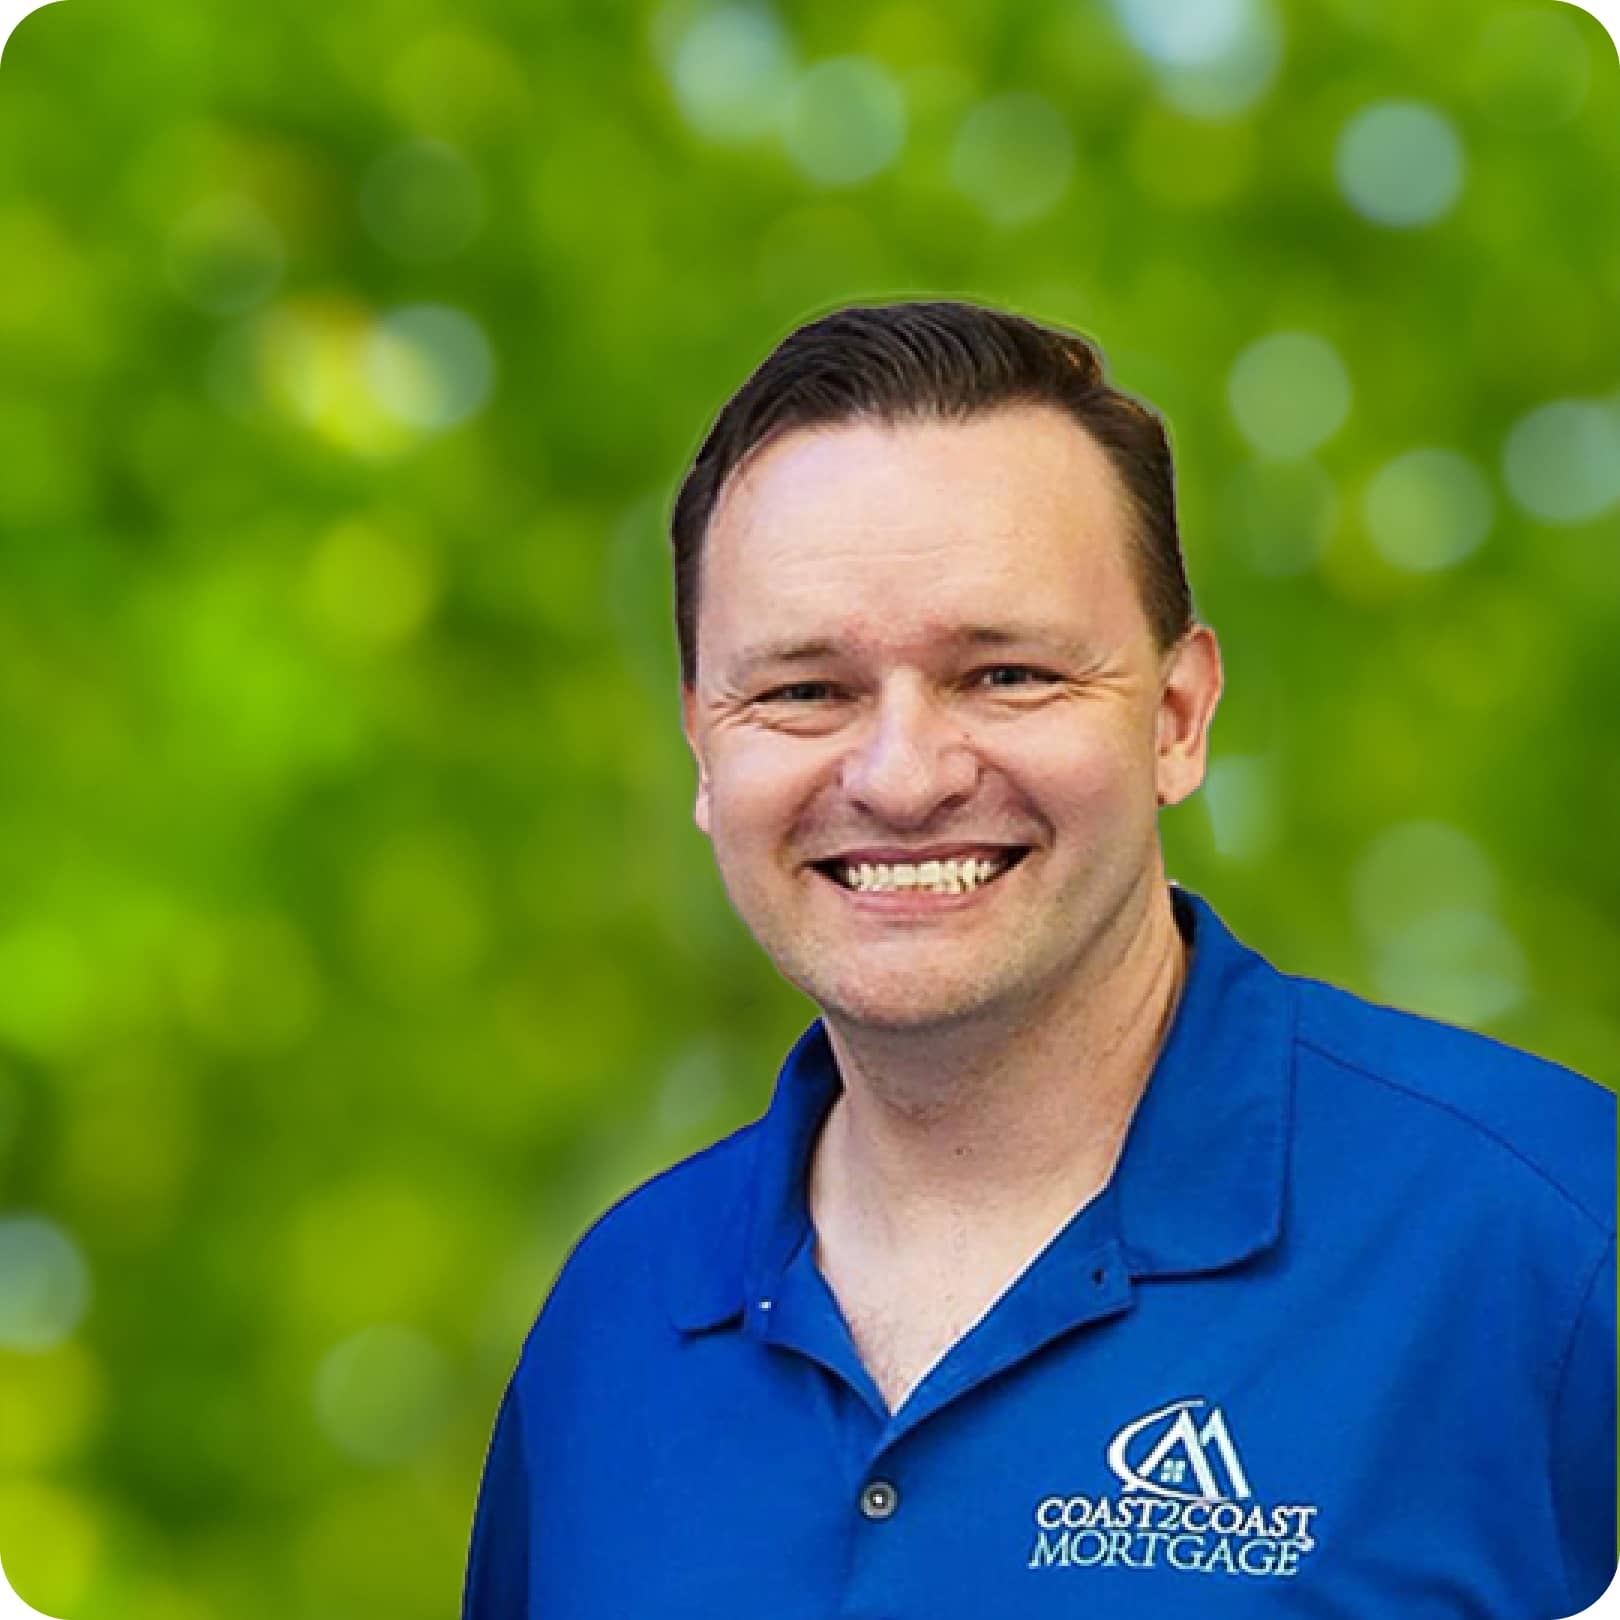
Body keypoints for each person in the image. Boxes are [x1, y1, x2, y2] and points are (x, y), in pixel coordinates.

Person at [461, 301, 1616, 1617]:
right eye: (802, 690)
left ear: (1178, 718)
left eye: (1004, 674)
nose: (902, 778)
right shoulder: (614, 1326)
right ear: (704, 753)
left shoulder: (1553, 1249)